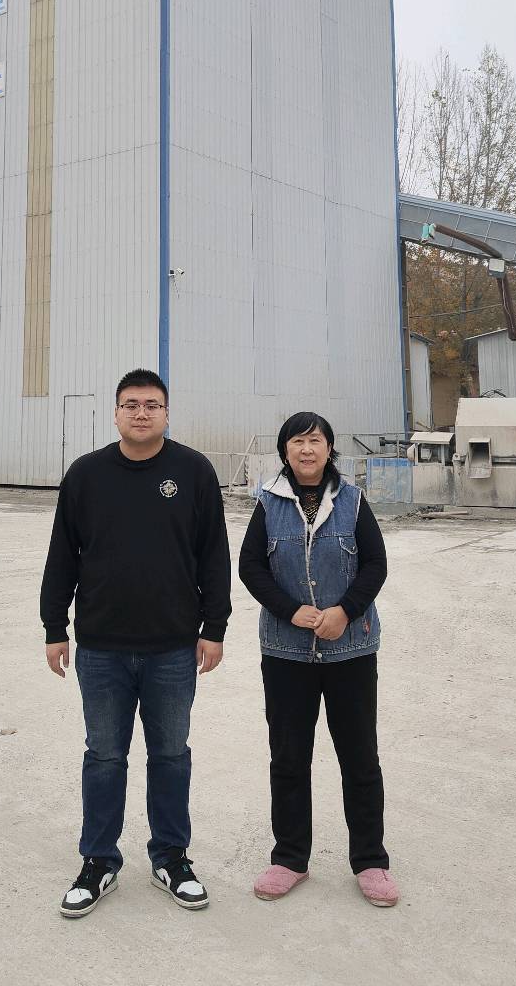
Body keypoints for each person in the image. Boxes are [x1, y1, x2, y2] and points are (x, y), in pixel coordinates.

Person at [40, 368, 231, 919]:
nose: (141, 413)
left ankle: (171, 858)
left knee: (170, 756)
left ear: (166, 413)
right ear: (116, 413)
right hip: (101, 647)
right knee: (104, 757)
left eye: (151, 404)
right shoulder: (86, 474)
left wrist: (214, 627)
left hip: (172, 648)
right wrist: (54, 626)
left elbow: (214, 555)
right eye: (131, 404)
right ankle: (98, 861)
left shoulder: (193, 471)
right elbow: (62, 555)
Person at [238, 411, 399, 907]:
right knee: (289, 757)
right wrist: (292, 611)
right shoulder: (268, 502)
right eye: (297, 441)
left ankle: (370, 860)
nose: (306, 450)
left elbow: (375, 564)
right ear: (284, 450)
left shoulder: (352, 501)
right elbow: (250, 567)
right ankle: (289, 858)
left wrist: (345, 611)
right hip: (286, 652)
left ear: (329, 449)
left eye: (315, 441)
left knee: (359, 757)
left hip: (350, 651)